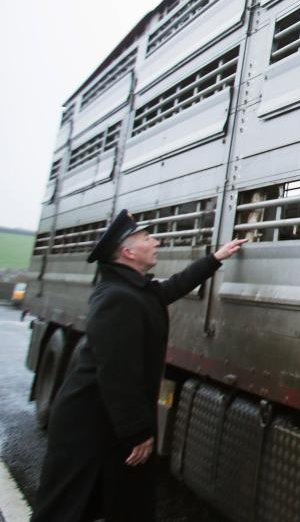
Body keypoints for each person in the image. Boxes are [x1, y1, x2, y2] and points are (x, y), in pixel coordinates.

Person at [32, 210, 247, 522]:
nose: (156, 242)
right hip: (90, 425)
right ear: (129, 252)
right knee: (65, 508)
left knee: (122, 503)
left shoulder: (134, 289)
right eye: (147, 238)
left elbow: (173, 287)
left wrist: (215, 258)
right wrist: (138, 432)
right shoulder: (117, 298)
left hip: (106, 422)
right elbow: (117, 373)